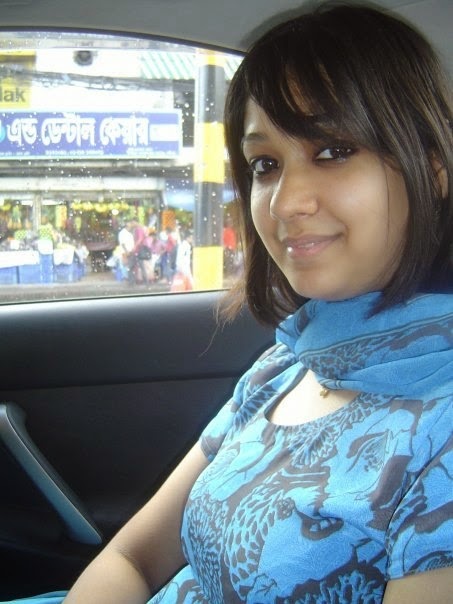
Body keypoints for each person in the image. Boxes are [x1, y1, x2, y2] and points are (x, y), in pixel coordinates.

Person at [4, 2, 452, 603]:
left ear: (433, 168)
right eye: (265, 164)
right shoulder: (288, 363)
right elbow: (135, 558)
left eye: (333, 151)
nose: (285, 201)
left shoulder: (441, 422)